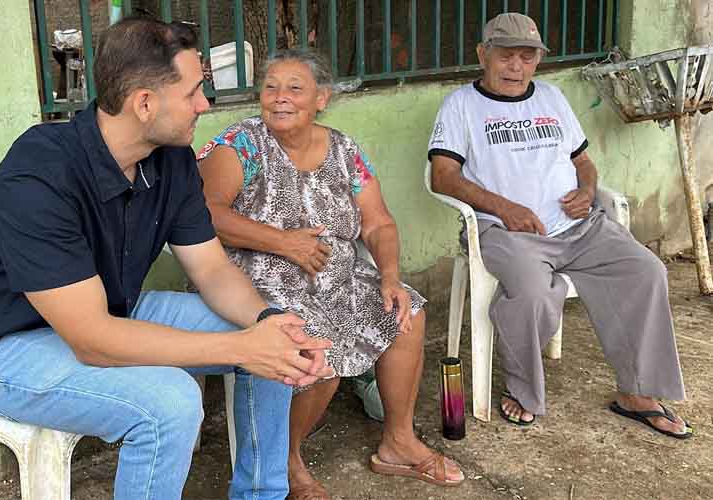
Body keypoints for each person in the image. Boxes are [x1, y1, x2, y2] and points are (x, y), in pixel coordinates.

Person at [0, 18, 336, 500]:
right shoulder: (39, 175)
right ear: (145, 103)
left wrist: (266, 322)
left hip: (113, 310)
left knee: (276, 333)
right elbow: (93, 340)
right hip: (13, 348)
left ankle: (263, 493)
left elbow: (212, 269)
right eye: (195, 92)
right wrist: (243, 348)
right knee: (170, 404)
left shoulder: (169, 157)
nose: (205, 104)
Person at [197, 49, 464, 499]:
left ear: (321, 98)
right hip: (253, 280)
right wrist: (283, 241)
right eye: (271, 87)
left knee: (406, 313)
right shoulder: (241, 144)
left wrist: (390, 276)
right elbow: (205, 215)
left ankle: (397, 441)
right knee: (322, 344)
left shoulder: (343, 150)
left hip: (334, 277)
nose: (280, 98)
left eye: (294, 88)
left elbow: (378, 223)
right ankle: (286, 458)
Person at [429, 13, 692, 438]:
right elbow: (443, 176)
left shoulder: (551, 97)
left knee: (647, 271)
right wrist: (505, 208)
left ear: (537, 60)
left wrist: (588, 191)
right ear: (483, 55)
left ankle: (638, 393)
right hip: (506, 232)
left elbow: (583, 162)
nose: (516, 66)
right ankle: (524, 390)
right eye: (505, 56)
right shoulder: (461, 105)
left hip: (578, 227)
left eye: (527, 56)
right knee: (534, 293)